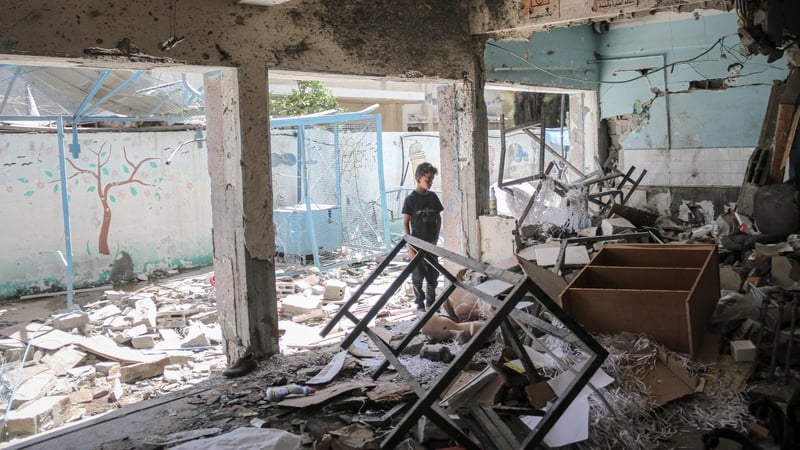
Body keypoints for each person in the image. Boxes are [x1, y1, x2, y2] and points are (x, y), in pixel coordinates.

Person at [402, 162, 444, 311]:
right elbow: (406, 223)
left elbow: (439, 218)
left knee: (433, 276)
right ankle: (420, 304)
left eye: (432, 180)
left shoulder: (433, 197)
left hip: (431, 244)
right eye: (428, 180)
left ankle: (431, 304)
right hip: (416, 244)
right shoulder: (411, 200)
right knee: (418, 277)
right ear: (418, 179)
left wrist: (436, 237)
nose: (430, 183)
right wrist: (410, 246)